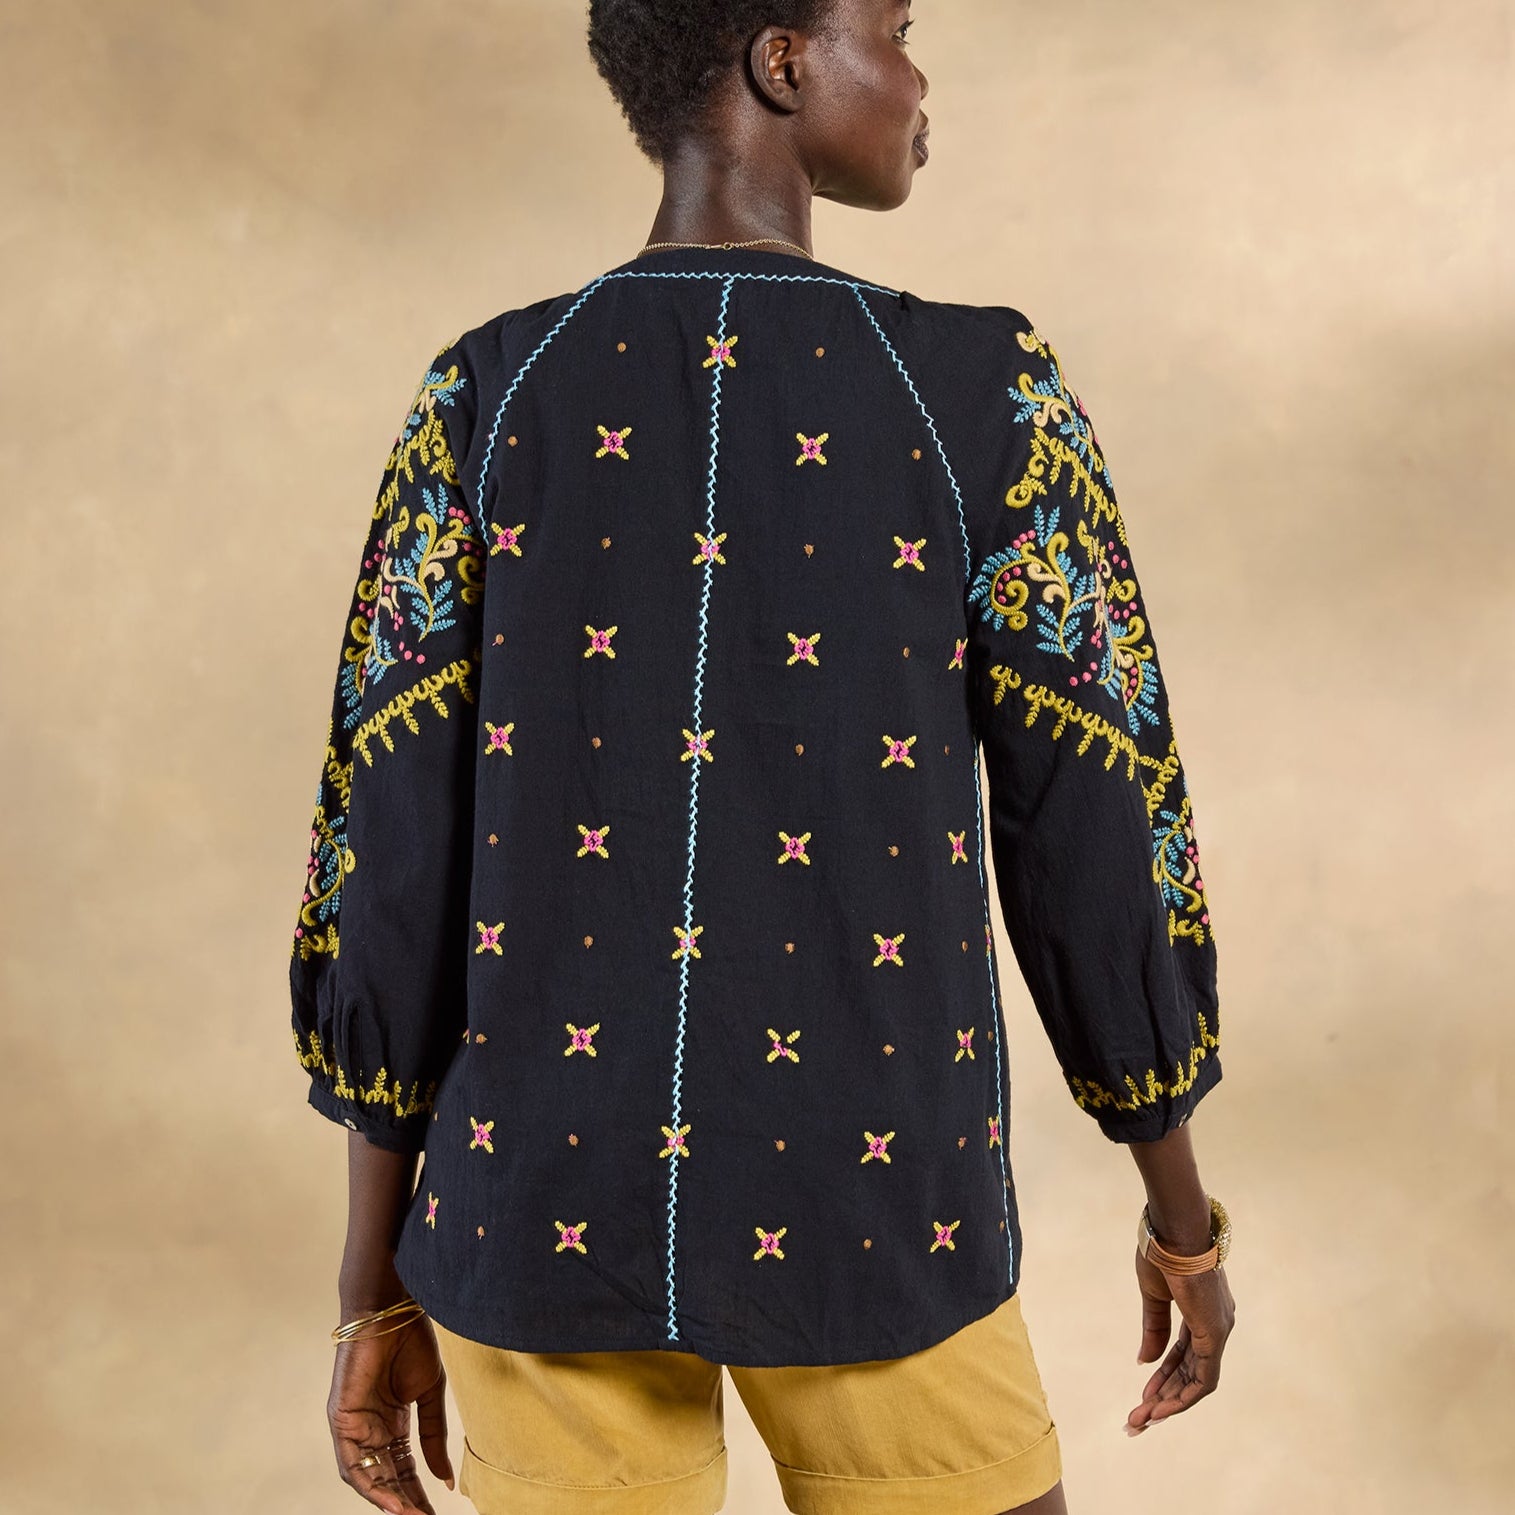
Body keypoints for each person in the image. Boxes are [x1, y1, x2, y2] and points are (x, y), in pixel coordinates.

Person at [288, 2, 1236, 1511]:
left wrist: (371, 1287)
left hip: (535, 1203)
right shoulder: (981, 394)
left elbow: (388, 857)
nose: (919, 78)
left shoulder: (487, 394)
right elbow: (1095, 820)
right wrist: (1181, 1214)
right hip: (882, 1201)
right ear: (782, 62)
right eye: (897, 28)